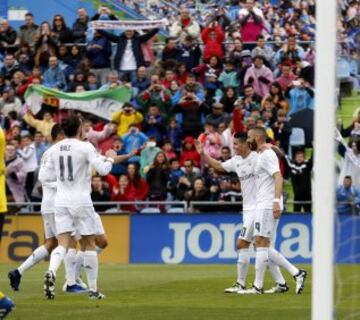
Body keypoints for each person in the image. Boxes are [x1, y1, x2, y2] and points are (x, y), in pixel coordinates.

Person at [39, 116, 117, 300]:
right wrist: (111, 159)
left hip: (61, 202)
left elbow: (46, 177)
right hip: (81, 200)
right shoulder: (85, 147)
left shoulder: (54, 149)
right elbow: (104, 170)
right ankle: (93, 290)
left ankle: (52, 271)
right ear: (79, 129)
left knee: (63, 243)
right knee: (89, 244)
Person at [240, 127, 307, 294]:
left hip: (268, 203)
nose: (247, 140)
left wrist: (276, 201)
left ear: (256, 137)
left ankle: (258, 286)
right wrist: (271, 147)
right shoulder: (262, 153)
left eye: (249, 137)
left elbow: (278, 176)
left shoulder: (267, 155)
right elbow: (275, 153)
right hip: (263, 203)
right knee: (264, 245)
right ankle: (292, 276)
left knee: (261, 243)